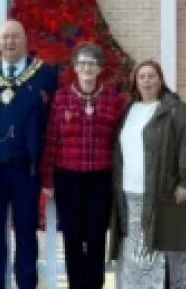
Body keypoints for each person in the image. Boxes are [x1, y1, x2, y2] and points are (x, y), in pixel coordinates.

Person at [0, 20, 58, 289]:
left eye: (15, 37)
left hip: (26, 169)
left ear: (26, 40)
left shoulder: (45, 74)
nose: (9, 42)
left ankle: (27, 284)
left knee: (27, 232)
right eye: (5, 37)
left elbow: (52, 122)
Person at [108, 59, 186, 289]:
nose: (147, 81)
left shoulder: (176, 110)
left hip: (163, 194)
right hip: (129, 196)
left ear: (161, 80)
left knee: (164, 255)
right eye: (142, 76)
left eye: (152, 76)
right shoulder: (129, 110)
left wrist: (185, 182)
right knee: (134, 257)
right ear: (135, 82)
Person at [42, 43, 125, 289]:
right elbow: (52, 141)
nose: (87, 67)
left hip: (100, 178)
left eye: (92, 63)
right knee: (72, 237)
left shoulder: (113, 99)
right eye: (82, 63)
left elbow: (119, 142)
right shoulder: (61, 97)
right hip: (68, 178)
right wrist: (47, 181)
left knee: (97, 237)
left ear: (100, 68)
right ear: (75, 67)